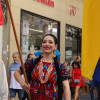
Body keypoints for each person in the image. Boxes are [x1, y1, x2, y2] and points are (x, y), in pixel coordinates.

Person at [14, 34, 71, 100]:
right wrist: (22, 83)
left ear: (55, 46)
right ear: (42, 45)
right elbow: (16, 72)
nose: (47, 44)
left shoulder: (60, 66)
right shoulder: (32, 62)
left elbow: (66, 87)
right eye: (44, 42)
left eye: (50, 42)